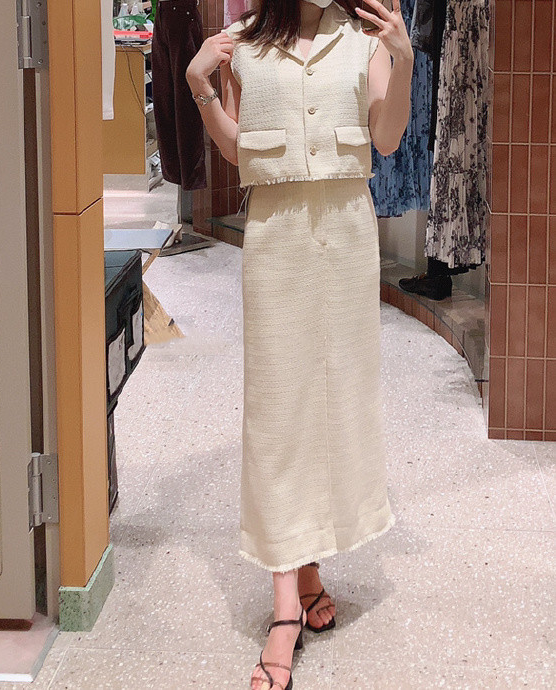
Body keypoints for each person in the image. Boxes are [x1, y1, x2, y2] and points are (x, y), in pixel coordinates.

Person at [186, 1, 413, 688]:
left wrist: (402, 58)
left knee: (336, 403)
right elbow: (236, 148)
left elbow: (387, 138)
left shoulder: (364, 39)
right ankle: (286, 603)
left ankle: (307, 569)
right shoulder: (243, 43)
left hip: (346, 234)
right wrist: (199, 83)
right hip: (277, 237)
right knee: (279, 412)